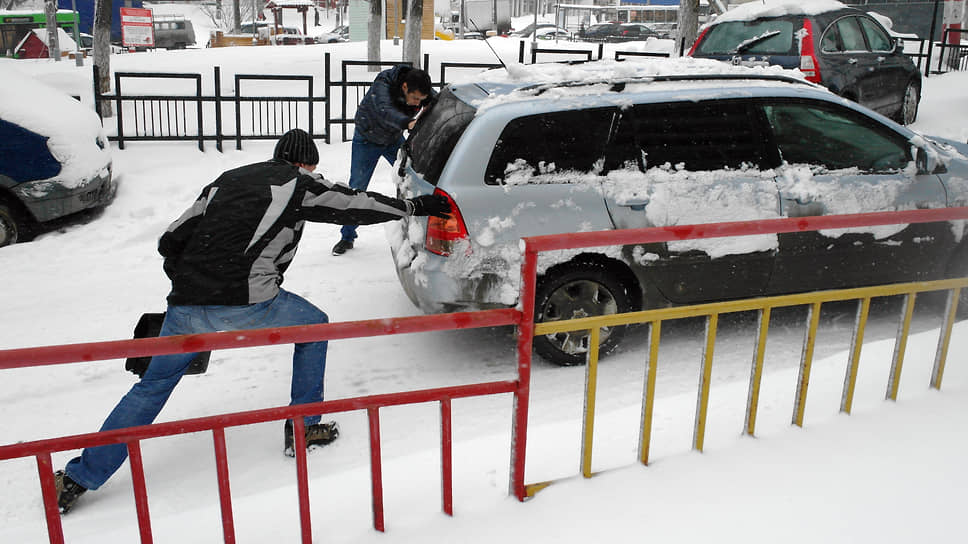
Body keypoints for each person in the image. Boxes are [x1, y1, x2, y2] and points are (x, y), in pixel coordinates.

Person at [54, 128, 451, 514]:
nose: (314, 176)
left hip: (186, 305)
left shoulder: (227, 180)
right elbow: (353, 205)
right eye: (312, 169)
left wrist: (193, 285)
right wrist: (415, 207)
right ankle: (304, 426)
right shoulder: (296, 184)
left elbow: (170, 239)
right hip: (246, 299)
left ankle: (79, 478)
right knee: (315, 329)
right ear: (303, 163)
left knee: (151, 387)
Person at [332, 64, 436, 256]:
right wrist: (408, 122)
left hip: (393, 138)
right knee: (357, 188)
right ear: (404, 87)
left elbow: (437, 100)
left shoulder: (420, 89)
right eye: (414, 99)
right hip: (367, 139)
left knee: (414, 176)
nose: (416, 104)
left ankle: (420, 227)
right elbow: (385, 110)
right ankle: (347, 236)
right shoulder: (383, 84)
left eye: (420, 100)